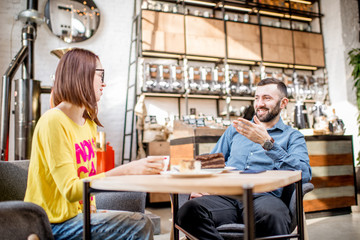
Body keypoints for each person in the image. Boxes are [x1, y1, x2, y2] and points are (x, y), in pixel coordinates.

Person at [24, 48, 164, 240]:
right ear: (82, 75)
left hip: (76, 217)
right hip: (50, 224)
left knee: (139, 221)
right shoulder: (53, 121)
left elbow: (89, 178)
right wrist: (128, 169)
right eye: (101, 75)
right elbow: (71, 190)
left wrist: (94, 212)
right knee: (139, 224)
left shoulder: (89, 125)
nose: (104, 83)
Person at [176, 78, 312, 239]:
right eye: (256, 98)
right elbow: (212, 162)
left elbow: (303, 174)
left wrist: (266, 143)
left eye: (267, 98)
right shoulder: (235, 130)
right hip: (225, 197)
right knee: (188, 211)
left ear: (283, 103)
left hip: (264, 198)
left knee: (273, 216)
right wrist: (199, 185)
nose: (259, 103)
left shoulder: (293, 136)